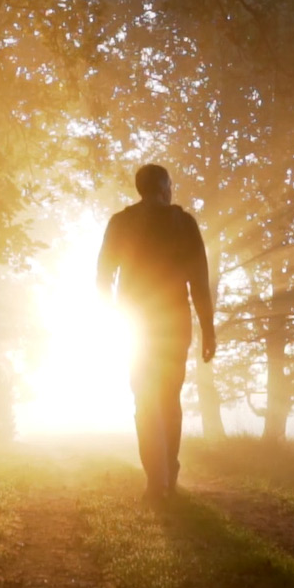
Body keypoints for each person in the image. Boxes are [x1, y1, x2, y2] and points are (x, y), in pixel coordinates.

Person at [97, 164, 215, 500]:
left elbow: (102, 277)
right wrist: (208, 330)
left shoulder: (120, 223)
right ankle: (169, 470)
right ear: (164, 187)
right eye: (171, 185)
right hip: (174, 324)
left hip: (134, 325)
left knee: (144, 399)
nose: (172, 191)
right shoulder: (184, 223)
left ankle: (155, 477)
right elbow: (200, 284)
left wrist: (108, 319)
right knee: (169, 399)